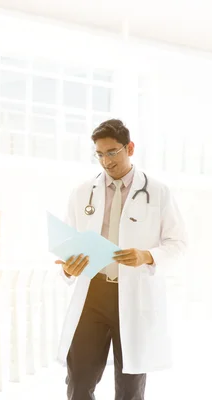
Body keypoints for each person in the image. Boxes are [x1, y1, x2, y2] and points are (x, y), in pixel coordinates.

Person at [54, 119, 187, 400]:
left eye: (112, 152)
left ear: (130, 148)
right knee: (78, 382)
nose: (106, 161)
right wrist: (68, 267)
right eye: (99, 154)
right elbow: (67, 245)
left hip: (133, 296)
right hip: (92, 295)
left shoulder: (158, 192)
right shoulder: (81, 193)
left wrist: (147, 255)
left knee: (129, 389)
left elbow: (178, 244)